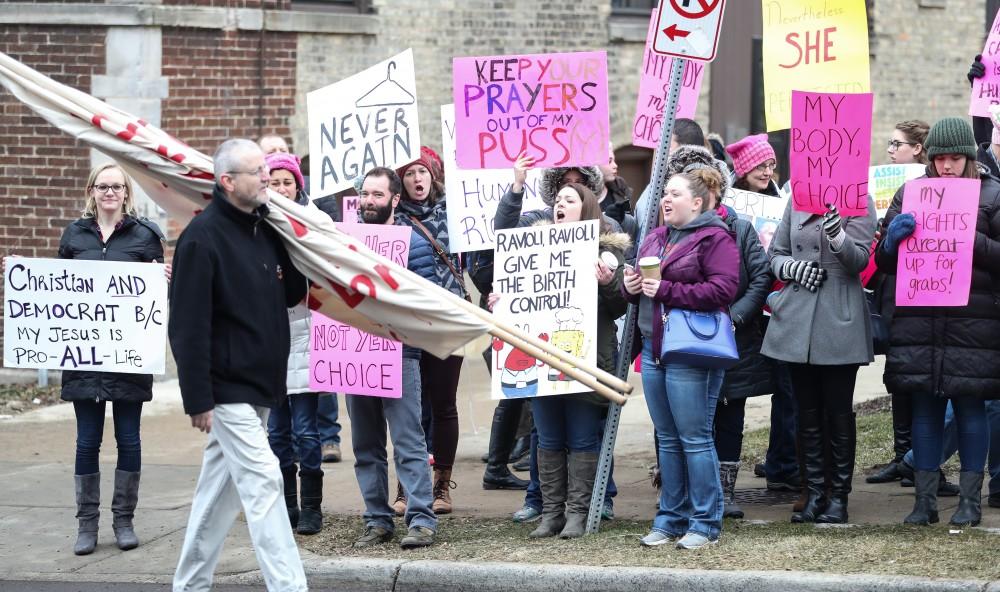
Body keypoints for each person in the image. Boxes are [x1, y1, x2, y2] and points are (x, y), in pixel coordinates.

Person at [169, 139, 307, 592]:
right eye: (256, 171)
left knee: (219, 492)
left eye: (266, 168)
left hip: (262, 382)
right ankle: (290, 586)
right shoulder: (201, 237)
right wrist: (198, 398)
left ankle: (189, 584)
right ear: (228, 182)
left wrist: (294, 235)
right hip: (225, 388)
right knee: (265, 481)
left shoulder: (265, 227)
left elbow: (290, 295)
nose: (267, 177)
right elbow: (187, 325)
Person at [875, 117, 1000, 527]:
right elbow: (881, 262)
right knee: (925, 410)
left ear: (969, 157)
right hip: (920, 323)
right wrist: (892, 241)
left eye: (956, 158)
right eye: (940, 158)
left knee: (970, 408)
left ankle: (969, 502)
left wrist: (974, 242)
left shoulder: (993, 195)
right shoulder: (911, 193)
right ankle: (924, 502)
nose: (947, 166)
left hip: (972, 324)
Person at [38, 163, 167, 555]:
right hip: (84, 357)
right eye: (102, 186)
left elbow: (155, 301)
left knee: (129, 439)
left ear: (126, 193)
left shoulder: (146, 236)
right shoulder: (74, 234)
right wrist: (22, 275)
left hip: (127, 357)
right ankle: (87, 526)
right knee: (86, 441)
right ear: (91, 191)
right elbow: (55, 289)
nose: (109, 192)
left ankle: (124, 521)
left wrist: (162, 280)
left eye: (116, 186)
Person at [491, 182, 630, 539]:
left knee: (583, 438)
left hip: (587, 360)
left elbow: (620, 307)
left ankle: (579, 514)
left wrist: (609, 283)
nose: (560, 205)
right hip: (542, 361)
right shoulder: (533, 248)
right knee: (549, 438)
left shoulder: (607, 250)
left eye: (569, 200)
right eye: (557, 201)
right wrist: (501, 300)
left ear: (586, 209)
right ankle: (551, 513)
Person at [624, 166, 739, 550]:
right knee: (669, 439)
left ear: (697, 201)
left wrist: (667, 289)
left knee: (694, 438)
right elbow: (645, 293)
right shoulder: (655, 238)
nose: (666, 199)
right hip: (655, 351)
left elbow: (723, 289)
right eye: (665, 194)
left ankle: (705, 521)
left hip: (691, 352)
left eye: (675, 194)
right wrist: (631, 286)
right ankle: (670, 518)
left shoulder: (714, 238)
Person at [761, 161, 877, 524]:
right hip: (797, 317)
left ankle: (838, 496)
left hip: (838, 318)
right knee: (805, 409)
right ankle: (812, 492)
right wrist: (792, 269)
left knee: (837, 410)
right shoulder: (796, 199)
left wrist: (838, 236)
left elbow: (859, 261)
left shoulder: (860, 199)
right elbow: (775, 254)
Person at [346, 166, 439, 549]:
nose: (369, 202)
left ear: (395, 200)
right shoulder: (342, 241)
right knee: (365, 445)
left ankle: (420, 518)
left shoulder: (413, 243)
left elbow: (428, 300)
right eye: (365, 194)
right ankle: (377, 519)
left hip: (398, 355)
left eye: (378, 195)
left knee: (408, 441)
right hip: (351, 352)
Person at [726, 134, 800, 495]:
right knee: (733, 395)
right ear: (743, 170)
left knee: (786, 389)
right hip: (745, 309)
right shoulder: (728, 206)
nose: (768, 171)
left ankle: (783, 462)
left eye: (772, 164)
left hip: (777, 307)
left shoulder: (782, 202)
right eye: (760, 165)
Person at [394, 146, 465, 515]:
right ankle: (407, 485)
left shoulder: (455, 212)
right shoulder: (392, 219)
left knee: (443, 405)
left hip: (446, 318)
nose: (416, 179)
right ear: (400, 182)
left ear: (432, 175)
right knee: (408, 408)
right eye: (408, 174)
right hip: (407, 323)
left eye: (421, 172)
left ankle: (441, 485)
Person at [867, 120, 935, 488]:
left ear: (918, 149)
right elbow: (883, 254)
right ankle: (902, 456)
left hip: (934, 292)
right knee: (901, 375)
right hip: (898, 293)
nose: (890, 150)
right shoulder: (897, 190)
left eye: (897, 144)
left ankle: (920, 460)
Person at [262, 151, 325, 536]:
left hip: (307, 336)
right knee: (276, 432)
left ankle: (312, 507)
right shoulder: (256, 224)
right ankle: (285, 504)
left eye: (287, 181)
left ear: (298, 185)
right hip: (270, 339)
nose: (281, 188)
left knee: (306, 430)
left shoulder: (314, 222)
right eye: (273, 181)